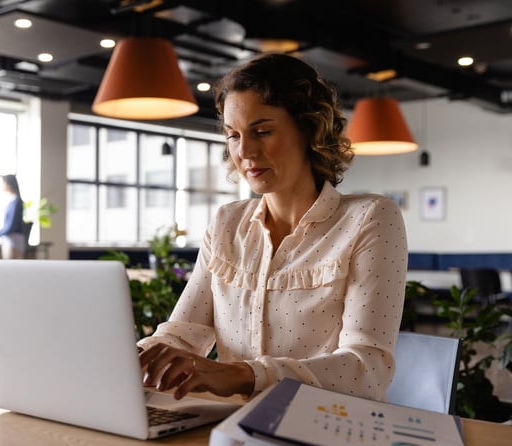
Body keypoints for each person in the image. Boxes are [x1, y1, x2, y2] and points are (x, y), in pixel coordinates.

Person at [138, 53, 408, 403]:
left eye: (262, 131)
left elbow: (367, 367)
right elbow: (182, 334)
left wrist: (242, 375)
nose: (245, 151)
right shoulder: (226, 223)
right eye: (233, 135)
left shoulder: (370, 217)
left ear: (310, 130)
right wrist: (132, 358)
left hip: (329, 427)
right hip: (232, 428)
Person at [0, 174, 27, 259]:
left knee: (12, 269)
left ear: (9, 184)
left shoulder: (16, 203)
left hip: (14, 241)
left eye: (3, 183)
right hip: (8, 240)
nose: (2, 186)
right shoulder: (11, 201)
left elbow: (10, 227)